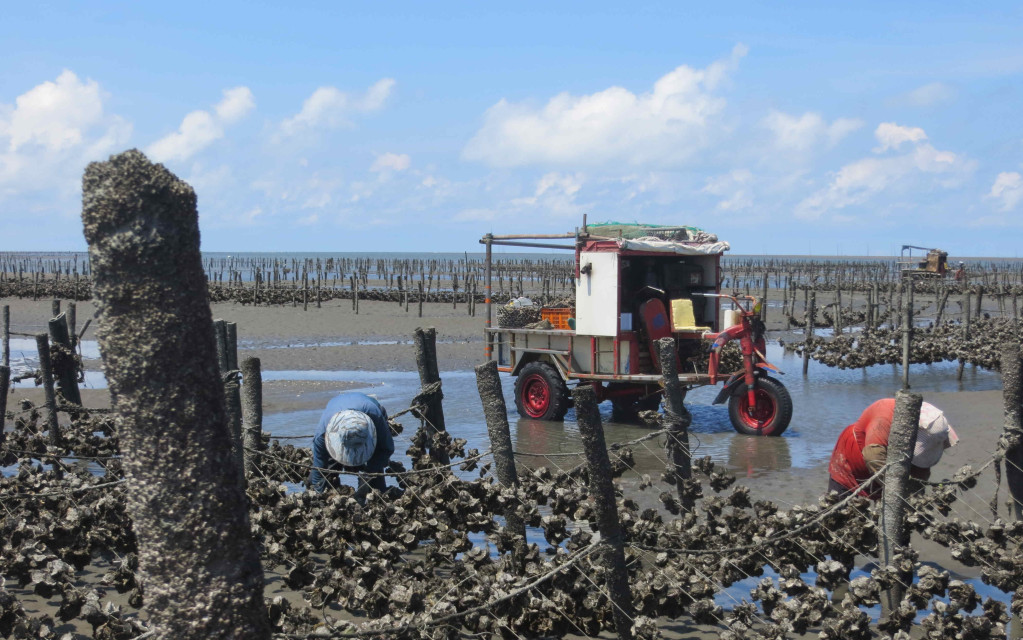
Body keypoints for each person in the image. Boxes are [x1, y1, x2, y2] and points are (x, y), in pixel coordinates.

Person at [827, 399, 959, 499]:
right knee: (839, 508)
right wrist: (899, 492)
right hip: (853, 460)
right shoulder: (885, 417)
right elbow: (873, 457)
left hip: (897, 461)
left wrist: (916, 495)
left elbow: (922, 469)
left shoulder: (937, 426)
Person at [310, 392, 395, 502]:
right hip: (336, 410)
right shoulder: (322, 434)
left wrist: (368, 474)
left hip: (370, 410)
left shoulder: (376, 416)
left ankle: (378, 500)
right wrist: (319, 496)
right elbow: (319, 468)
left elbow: (386, 449)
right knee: (329, 469)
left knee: (376, 477)